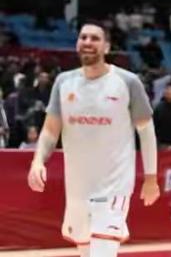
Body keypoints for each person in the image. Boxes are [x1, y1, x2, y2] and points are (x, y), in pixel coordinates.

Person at [27, 23, 160, 257]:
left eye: (95, 38)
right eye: (83, 37)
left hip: (114, 186)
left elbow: (146, 132)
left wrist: (151, 179)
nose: (88, 42)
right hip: (78, 189)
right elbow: (50, 130)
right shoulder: (64, 82)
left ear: (107, 46)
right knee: (87, 253)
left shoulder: (127, 82)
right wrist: (38, 161)